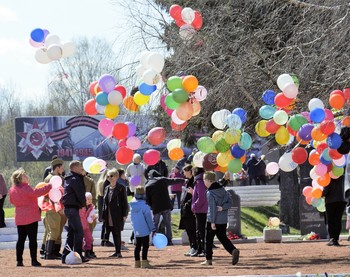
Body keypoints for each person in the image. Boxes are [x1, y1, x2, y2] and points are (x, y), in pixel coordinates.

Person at [9, 168, 52, 267]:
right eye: (24, 175)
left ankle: (19, 261)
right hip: (31, 216)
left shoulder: (12, 190)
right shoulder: (26, 188)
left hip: (19, 217)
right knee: (32, 240)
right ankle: (34, 260)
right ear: (21, 179)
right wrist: (49, 186)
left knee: (21, 239)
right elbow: (36, 193)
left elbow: (12, 201)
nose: (26, 176)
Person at [200, 171, 239, 266]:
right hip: (223, 220)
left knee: (208, 240)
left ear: (209, 180)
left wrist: (212, 222)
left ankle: (208, 259)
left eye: (204, 179)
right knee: (223, 238)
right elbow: (230, 203)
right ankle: (233, 250)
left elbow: (212, 208)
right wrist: (223, 208)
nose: (204, 181)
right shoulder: (223, 190)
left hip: (212, 220)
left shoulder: (210, 193)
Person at [145, 169, 186, 246]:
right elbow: (173, 180)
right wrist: (183, 180)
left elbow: (147, 199)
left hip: (156, 207)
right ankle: (169, 240)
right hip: (166, 205)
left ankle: (155, 240)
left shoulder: (148, 184)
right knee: (168, 223)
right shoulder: (163, 180)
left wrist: (151, 206)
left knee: (155, 224)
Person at [61, 160, 89, 264]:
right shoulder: (75, 179)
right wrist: (83, 205)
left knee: (72, 233)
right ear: (75, 168)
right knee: (79, 231)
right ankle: (78, 256)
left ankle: (64, 256)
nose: (82, 168)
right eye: (80, 166)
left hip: (70, 209)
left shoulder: (69, 178)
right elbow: (80, 194)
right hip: (72, 209)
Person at [41, 158, 66, 260]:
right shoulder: (49, 179)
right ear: (57, 168)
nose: (63, 169)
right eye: (62, 167)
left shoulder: (60, 178)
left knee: (58, 229)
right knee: (53, 229)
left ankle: (56, 251)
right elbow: (47, 195)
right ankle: (48, 252)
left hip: (60, 207)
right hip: (52, 207)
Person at [102, 168, 129, 258]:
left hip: (117, 213)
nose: (109, 178)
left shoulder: (121, 188)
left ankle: (118, 252)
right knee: (112, 231)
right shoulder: (106, 188)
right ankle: (116, 251)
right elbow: (104, 202)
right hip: (108, 213)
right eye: (108, 176)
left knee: (117, 232)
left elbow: (125, 202)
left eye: (111, 176)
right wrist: (103, 214)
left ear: (116, 177)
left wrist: (125, 214)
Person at [130, 186, 156, 268]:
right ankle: (144, 261)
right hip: (144, 230)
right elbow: (149, 219)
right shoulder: (145, 207)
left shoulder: (132, 206)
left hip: (136, 230)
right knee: (145, 246)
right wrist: (153, 228)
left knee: (137, 247)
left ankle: (136, 262)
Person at [322, 173, 347, 246]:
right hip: (342, 200)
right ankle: (336, 238)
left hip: (330, 201)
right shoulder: (343, 177)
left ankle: (332, 238)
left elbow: (326, 189)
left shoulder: (328, 177)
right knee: (337, 220)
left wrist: (321, 194)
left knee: (331, 221)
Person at [126, 154, 146, 244]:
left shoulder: (143, 166)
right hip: (133, 187)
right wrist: (130, 178)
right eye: (136, 159)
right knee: (133, 199)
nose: (137, 160)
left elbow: (145, 174)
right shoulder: (129, 166)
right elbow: (127, 174)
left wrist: (142, 178)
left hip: (141, 187)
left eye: (139, 158)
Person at [179, 165, 197, 257]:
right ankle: (192, 246)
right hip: (186, 209)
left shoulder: (194, 181)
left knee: (192, 229)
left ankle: (195, 247)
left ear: (190, 171)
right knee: (188, 230)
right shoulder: (188, 181)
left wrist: (187, 204)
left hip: (190, 209)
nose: (184, 173)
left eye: (185, 171)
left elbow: (195, 195)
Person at [191, 167, 207, 257]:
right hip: (201, 209)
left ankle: (203, 250)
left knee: (201, 231)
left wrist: (194, 206)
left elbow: (201, 197)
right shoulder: (199, 181)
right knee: (199, 231)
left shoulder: (199, 182)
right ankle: (200, 249)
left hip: (201, 210)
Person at [97, 170, 114, 247]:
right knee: (107, 224)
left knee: (105, 223)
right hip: (106, 205)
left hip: (101, 204)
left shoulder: (100, 183)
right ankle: (105, 240)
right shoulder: (107, 183)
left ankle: (103, 240)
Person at [79, 192, 97, 258]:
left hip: (86, 226)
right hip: (80, 226)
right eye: (88, 199)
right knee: (80, 240)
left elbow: (90, 218)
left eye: (91, 199)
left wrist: (93, 217)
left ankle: (88, 252)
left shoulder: (91, 207)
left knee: (89, 239)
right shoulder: (81, 207)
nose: (89, 200)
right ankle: (79, 253)